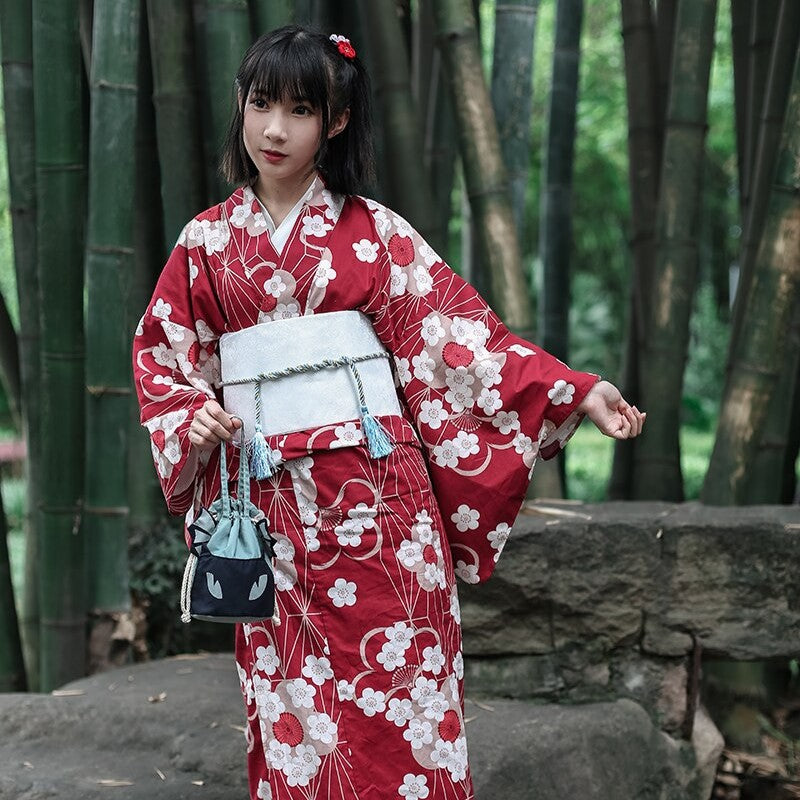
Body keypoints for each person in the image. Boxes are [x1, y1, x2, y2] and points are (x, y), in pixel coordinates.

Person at [133, 24, 645, 800]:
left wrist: (573, 389)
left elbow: (461, 341)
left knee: (405, 701)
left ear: (334, 122)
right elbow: (164, 358)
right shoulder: (205, 244)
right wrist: (193, 414)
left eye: (300, 110)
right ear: (242, 103)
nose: (274, 128)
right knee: (293, 716)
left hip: (384, 513)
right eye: (261, 102)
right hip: (273, 516)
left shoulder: (377, 235)